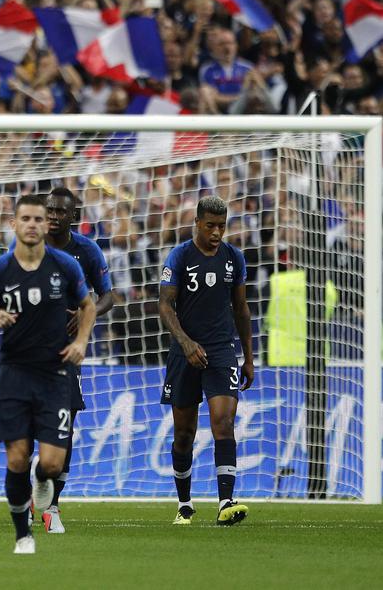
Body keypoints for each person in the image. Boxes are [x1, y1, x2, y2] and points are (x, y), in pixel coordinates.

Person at [0, 194, 95, 555]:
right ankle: (23, 534)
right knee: (16, 459)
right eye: (26, 218)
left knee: (52, 463)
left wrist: (82, 341)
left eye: (39, 219)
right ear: (15, 223)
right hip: (14, 373)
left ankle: (42, 479)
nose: (33, 225)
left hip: (55, 373)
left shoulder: (66, 266)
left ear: (45, 224)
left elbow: (88, 306)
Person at [157, 195, 253, 527]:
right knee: (184, 433)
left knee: (223, 423)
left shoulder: (234, 258)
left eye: (221, 226)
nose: (216, 232)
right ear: (197, 223)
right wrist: (185, 343)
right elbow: (165, 305)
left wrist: (249, 359)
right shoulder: (180, 256)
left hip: (222, 351)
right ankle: (184, 503)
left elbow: (241, 309)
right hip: (184, 353)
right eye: (210, 225)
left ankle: (226, 500)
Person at [37, 186, 115, 533]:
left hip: (68, 353)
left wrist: (87, 313)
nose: (53, 216)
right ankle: (28, 498)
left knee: (63, 431)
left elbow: (109, 296)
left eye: (59, 212)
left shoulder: (87, 250)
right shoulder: (28, 244)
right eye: (49, 210)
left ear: (74, 216)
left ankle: (52, 505)